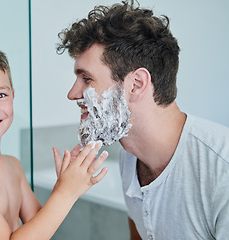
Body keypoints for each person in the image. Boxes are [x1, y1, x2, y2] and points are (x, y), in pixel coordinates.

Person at [56, 1, 229, 239]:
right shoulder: (130, 154)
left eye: (86, 79)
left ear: (136, 84)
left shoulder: (222, 170)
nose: (72, 94)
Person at [0, 41, 108, 240]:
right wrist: (66, 193)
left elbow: (38, 228)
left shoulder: (12, 165)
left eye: (0, 95)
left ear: (13, 96)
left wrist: (64, 185)